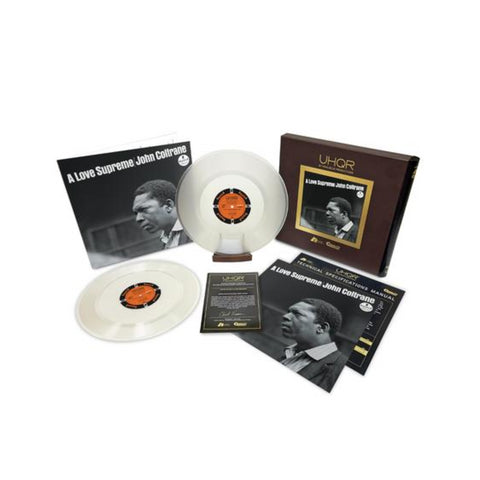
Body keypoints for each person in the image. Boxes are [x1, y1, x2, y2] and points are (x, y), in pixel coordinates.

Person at [281, 298, 346, 392]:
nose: (285, 316)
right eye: (288, 312)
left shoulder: (342, 369)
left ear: (322, 328)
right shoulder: (289, 352)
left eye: (297, 314)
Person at [132, 180, 190, 249]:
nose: (138, 219)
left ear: (168, 205)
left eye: (143, 209)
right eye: (136, 213)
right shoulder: (166, 240)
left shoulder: (196, 229)